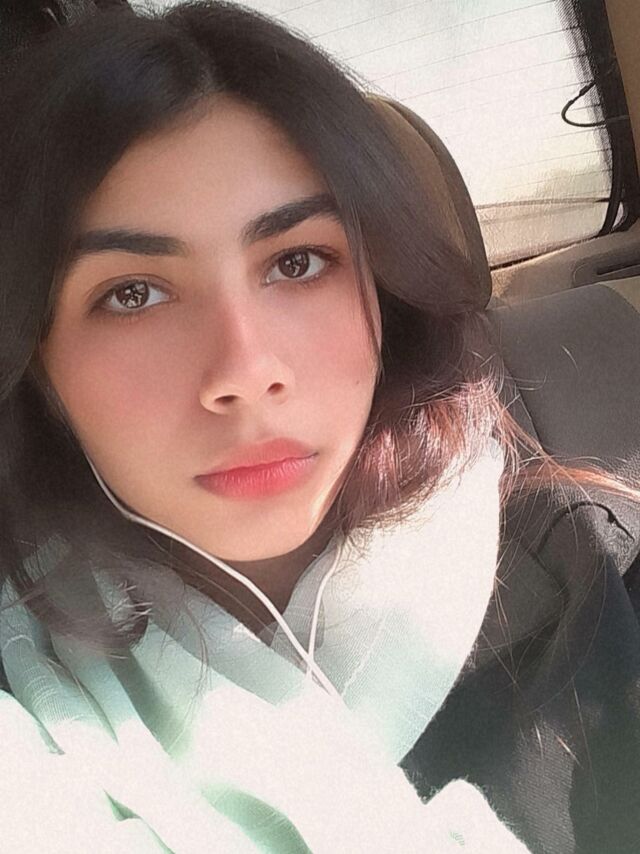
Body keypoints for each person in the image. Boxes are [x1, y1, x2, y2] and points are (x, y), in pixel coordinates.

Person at [0, 1, 638, 851]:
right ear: (38, 362)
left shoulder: (599, 566)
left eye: (297, 262)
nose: (244, 371)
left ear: (384, 293)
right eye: (133, 294)